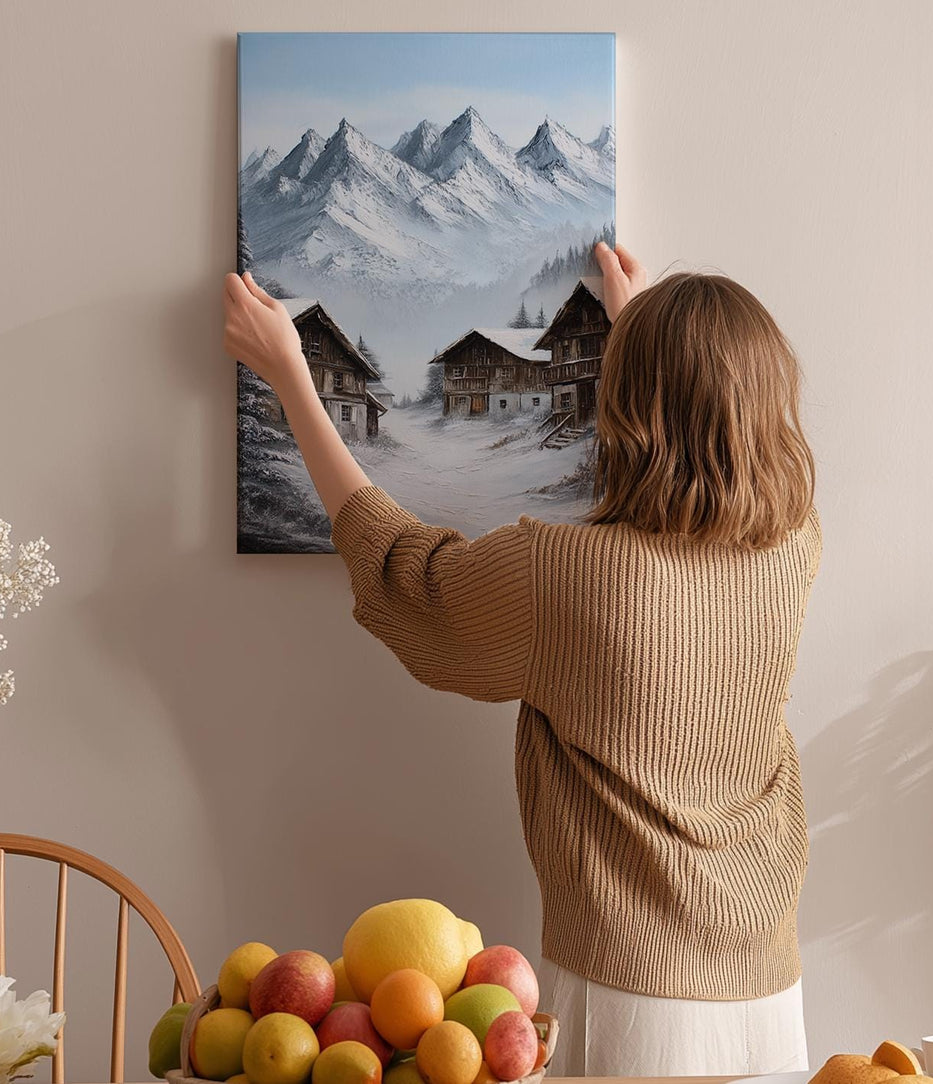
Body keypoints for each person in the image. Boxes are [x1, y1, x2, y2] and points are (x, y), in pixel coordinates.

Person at [222, 242, 820, 1077]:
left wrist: (290, 374)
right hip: (768, 984)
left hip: (629, 993)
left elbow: (404, 570)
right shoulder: (792, 548)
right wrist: (642, 330)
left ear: (628, 401)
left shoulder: (562, 574)